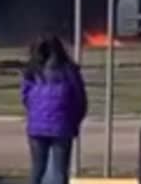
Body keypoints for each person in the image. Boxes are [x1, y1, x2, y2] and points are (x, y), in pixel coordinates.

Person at [21, 35, 88, 184]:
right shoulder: (69, 71)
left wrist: (34, 114)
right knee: (59, 170)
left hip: (36, 127)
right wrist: (75, 122)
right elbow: (79, 99)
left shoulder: (32, 72)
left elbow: (25, 97)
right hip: (62, 126)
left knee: (37, 168)